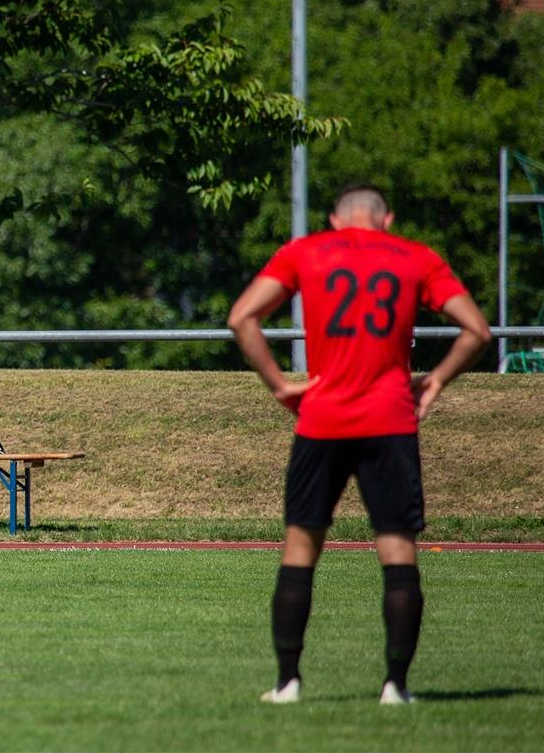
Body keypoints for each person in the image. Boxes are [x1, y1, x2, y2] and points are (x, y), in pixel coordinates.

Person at [227, 185, 491, 706]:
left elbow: (242, 317)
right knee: (397, 552)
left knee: (301, 548)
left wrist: (280, 384)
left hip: (320, 418)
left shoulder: (305, 251)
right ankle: (396, 686)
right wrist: (435, 381)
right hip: (391, 419)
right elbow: (477, 331)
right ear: (387, 219)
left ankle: (287, 684)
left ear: (333, 219)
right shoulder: (417, 257)